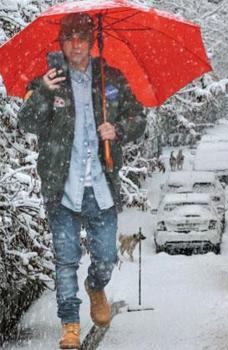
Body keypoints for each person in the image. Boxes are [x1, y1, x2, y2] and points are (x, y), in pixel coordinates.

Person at [17, 13, 146, 349]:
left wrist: (117, 130)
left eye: (82, 38)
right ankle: (70, 323)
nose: (76, 45)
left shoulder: (111, 80)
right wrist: (44, 91)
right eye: (69, 38)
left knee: (105, 256)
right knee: (65, 259)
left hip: (100, 187)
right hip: (62, 188)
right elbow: (26, 123)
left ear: (91, 43)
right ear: (62, 43)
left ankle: (95, 286)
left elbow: (139, 120)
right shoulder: (47, 82)